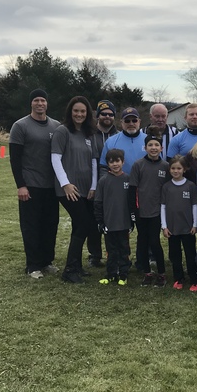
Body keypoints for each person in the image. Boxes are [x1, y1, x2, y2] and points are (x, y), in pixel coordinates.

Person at [9, 88, 61, 279]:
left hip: (51, 186)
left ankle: (47, 261)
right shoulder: (20, 126)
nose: (40, 104)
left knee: (50, 224)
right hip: (30, 185)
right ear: (31, 103)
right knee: (31, 226)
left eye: (43, 101)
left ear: (47, 103)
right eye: (36, 100)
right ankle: (33, 265)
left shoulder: (56, 126)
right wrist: (20, 185)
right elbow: (15, 159)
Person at [51, 95, 99, 284]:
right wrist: (65, 183)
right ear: (70, 112)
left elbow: (94, 161)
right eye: (76, 111)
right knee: (83, 223)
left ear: (87, 114)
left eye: (83, 111)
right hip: (68, 189)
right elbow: (55, 158)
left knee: (82, 226)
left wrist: (94, 186)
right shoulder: (62, 131)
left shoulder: (89, 134)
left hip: (87, 189)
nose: (79, 114)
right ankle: (69, 270)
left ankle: (77, 266)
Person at [129, 129, 171, 287]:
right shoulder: (138, 165)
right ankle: (147, 272)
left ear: (161, 148)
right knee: (142, 242)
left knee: (154, 242)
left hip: (157, 212)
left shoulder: (166, 166)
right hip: (141, 211)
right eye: (150, 145)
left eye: (157, 145)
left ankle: (161, 273)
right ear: (145, 148)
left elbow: (168, 190)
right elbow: (132, 190)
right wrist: (134, 211)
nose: (153, 148)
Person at [161, 156, 197, 291]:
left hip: (188, 228)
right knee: (175, 255)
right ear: (169, 169)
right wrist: (164, 226)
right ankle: (179, 278)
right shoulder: (166, 187)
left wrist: (195, 224)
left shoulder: (190, 186)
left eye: (179, 168)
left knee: (191, 255)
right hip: (172, 229)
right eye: (173, 168)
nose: (176, 171)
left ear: (184, 169)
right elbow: (163, 207)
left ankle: (194, 279)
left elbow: (194, 206)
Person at [87, 99, 118, 268]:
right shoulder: (89, 134)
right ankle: (95, 254)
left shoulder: (118, 135)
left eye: (110, 114)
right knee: (95, 221)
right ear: (98, 116)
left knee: (113, 221)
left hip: (113, 185)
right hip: (94, 184)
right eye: (104, 114)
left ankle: (115, 254)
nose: (107, 117)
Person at [94, 148, 131, 285]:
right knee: (111, 249)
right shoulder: (103, 181)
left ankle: (123, 274)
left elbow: (132, 202)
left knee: (124, 249)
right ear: (107, 164)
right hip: (109, 223)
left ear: (123, 162)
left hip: (124, 223)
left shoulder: (128, 179)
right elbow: (98, 202)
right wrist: (100, 221)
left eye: (117, 161)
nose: (115, 164)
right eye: (111, 162)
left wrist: (132, 220)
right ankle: (110, 273)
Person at [99, 107, 146, 175]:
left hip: (143, 184)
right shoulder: (111, 142)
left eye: (134, 120)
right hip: (118, 183)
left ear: (139, 121)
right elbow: (103, 167)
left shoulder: (149, 141)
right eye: (127, 121)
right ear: (121, 122)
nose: (131, 124)